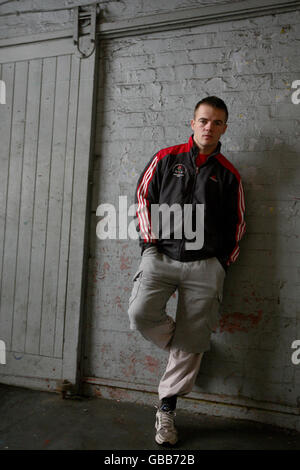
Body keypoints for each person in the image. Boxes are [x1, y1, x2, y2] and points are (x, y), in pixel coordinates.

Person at [128, 96, 246, 445]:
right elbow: (142, 198)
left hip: (205, 265)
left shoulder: (228, 173)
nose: (209, 127)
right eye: (204, 120)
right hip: (161, 255)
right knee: (140, 314)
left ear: (225, 127)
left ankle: (166, 409)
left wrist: (222, 263)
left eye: (217, 122)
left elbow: (238, 222)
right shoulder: (166, 159)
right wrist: (149, 246)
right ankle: (190, 346)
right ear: (192, 123)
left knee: (193, 337)